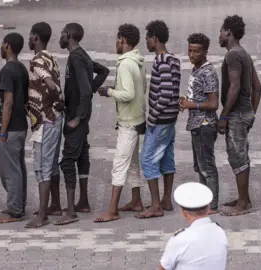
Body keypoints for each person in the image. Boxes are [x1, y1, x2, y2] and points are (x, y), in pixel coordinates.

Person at [94, 23, 146, 223]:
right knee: (132, 163)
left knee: (119, 165)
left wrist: (109, 92)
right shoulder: (138, 61)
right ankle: (136, 201)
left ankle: (112, 210)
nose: (115, 43)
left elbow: (128, 94)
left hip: (129, 122)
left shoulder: (125, 64)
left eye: (117, 39)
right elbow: (143, 89)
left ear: (123, 41)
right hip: (138, 118)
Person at [58, 22, 109, 225]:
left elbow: (86, 90)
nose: (59, 38)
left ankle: (71, 212)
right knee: (82, 156)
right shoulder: (83, 56)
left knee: (67, 160)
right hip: (78, 116)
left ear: (69, 35)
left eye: (62, 34)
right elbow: (103, 71)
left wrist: (77, 117)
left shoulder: (77, 58)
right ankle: (83, 201)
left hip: (77, 119)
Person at [218, 15, 261, 216]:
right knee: (241, 155)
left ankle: (243, 204)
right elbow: (257, 87)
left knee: (238, 156)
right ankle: (244, 198)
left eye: (221, 31)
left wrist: (224, 116)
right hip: (244, 113)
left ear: (228, 32)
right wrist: (251, 113)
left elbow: (234, 86)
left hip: (236, 114)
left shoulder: (232, 55)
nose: (219, 35)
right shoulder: (244, 53)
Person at [137, 20, 181, 219]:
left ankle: (156, 205)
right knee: (166, 157)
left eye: (147, 38)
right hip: (171, 120)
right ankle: (166, 199)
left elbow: (165, 93)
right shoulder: (174, 60)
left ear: (155, 39)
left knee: (148, 159)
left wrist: (152, 118)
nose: (146, 42)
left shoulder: (161, 61)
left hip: (161, 120)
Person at [25, 22, 64, 228]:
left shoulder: (37, 61)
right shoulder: (51, 58)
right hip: (53, 118)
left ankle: (42, 215)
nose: (29, 40)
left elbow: (50, 84)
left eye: (30, 36)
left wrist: (55, 96)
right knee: (51, 163)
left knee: (42, 167)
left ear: (36, 37)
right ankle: (55, 205)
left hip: (45, 120)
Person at [179, 33, 220, 214]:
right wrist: (187, 101)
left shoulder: (207, 72)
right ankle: (205, 203)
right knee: (200, 167)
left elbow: (213, 103)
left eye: (196, 51)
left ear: (205, 52)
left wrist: (192, 104)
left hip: (205, 124)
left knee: (207, 167)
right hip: (196, 125)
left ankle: (212, 205)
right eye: (189, 50)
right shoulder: (196, 69)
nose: (191, 55)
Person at [0, 33, 29, 224]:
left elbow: (8, 101)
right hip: (21, 126)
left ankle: (14, 211)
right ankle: (18, 205)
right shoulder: (22, 68)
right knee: (19, 168)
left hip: (11, 128)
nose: (0, 47)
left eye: (1, 43)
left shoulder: (8, 70)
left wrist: (3, 130)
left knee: (10, 171)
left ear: (7, 45)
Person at [159, 182, 228, 270]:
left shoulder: (180, 239)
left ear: (184, 213)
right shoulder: (220, 232)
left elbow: (163, 268)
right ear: (208, 208)